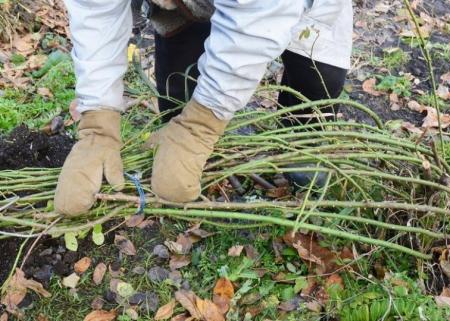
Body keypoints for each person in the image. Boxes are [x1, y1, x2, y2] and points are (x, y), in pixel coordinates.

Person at [54, 0, 353, 216]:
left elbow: (260, 18)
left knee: (315, 83)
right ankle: (204, 154)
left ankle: (300, 143)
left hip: (289, 8)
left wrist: (201, 123)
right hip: (186, 6)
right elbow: (95, 12)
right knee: (176, 94)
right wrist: (98, 122)